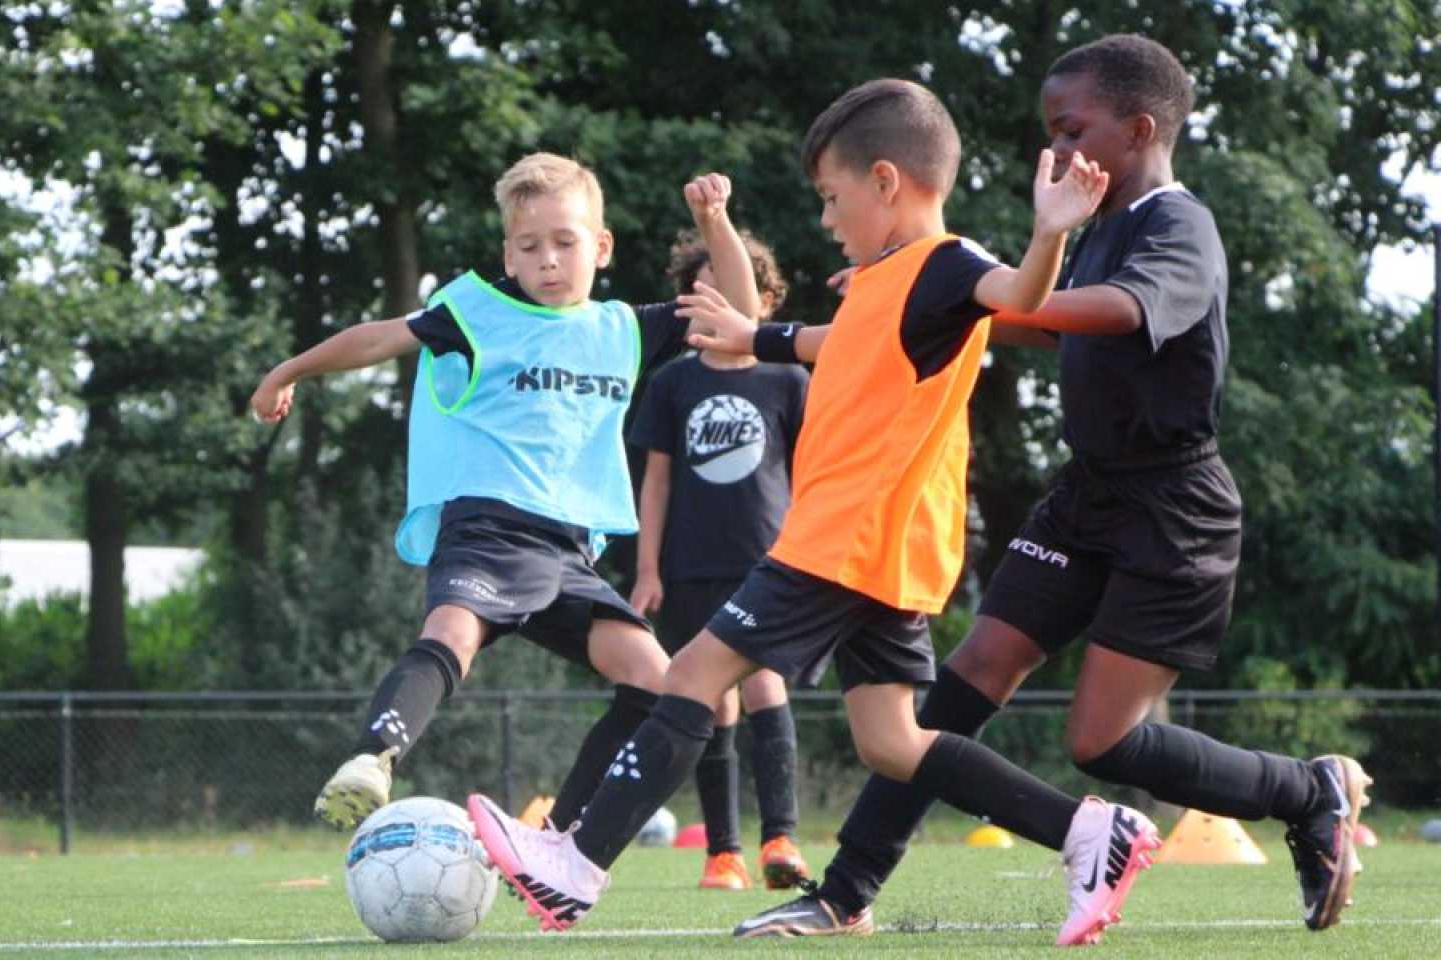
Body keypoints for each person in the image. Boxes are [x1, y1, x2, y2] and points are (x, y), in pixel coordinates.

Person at [698, 33, 1371, 939]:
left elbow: (1113, 311)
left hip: (1174, 509)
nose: (1054, 151)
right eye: (1048, 133)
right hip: (1087, 494)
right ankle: (844, 893)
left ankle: (1306, 790)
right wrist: (899, 300)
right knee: (969, 673)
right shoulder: (1089, 235)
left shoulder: (1178, 226)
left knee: (1100, 742)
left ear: (1138, 130)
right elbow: (1018, 325)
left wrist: (960, 285)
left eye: (1070, 129)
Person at [467, 80, 1154, 948]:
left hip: (844, 537)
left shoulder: (946, 263)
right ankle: (1093, 834)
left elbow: (1017, 295)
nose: (827, 219)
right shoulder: (888, 276)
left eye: (832, 199)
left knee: (688, 677)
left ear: (885, 182)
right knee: (893, 743)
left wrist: (1053, 227)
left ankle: (576, 865)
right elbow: (840, 343)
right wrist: (753, 338)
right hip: (887, 549)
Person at [249, 154, 760, 833]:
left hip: (570, 551)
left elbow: (743, 315)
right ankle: (372, 759)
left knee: (658, 679)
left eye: (565, 242)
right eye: (530, 247)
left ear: (601, 247)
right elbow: (377, 337)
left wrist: (714, 222)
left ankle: (556, 837)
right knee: (452, 633)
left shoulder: (626, 329)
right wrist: (290, 370)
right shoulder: (475, 311)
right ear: (509, 258)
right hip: (488, 526)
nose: (548, 260)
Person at [625, 229, 812, 891]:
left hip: (771, 563)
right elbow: (657, 482)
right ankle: (724, 853)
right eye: (704, 290)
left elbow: (814, 472)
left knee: (764, 686)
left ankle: (782, 840)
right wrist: (647, 570)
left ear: (765, 299)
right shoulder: (674, 381)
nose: (720, 301)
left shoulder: (789, 376)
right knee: (713, 700)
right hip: (690, 566)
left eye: (736, 289)